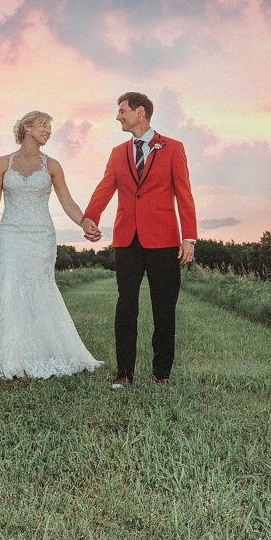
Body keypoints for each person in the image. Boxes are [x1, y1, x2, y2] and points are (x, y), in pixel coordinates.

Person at [0, 111, 103, 379]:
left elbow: (67, 202)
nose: (48, 131)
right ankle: (10, 356)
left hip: (41, 237)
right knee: (9, 288)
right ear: (28, 127)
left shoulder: (52, 165)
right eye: (44, 126)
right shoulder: (1, 163)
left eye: (50, 127)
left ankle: (44, 351)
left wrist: (85, 223)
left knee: (39, 289)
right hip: (10, 236)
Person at [81, 92, 197, 389]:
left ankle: (161, 374)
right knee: (126, 306)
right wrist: (90, 217)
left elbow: (184, 194)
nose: (118, 116)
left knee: (163, 308)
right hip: (127, 240)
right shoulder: (118, 153)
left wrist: (189, 238)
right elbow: (106, 187)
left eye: (122, 111)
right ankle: (124, 373)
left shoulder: (172, 148)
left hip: (164, 241)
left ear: (140, 112)